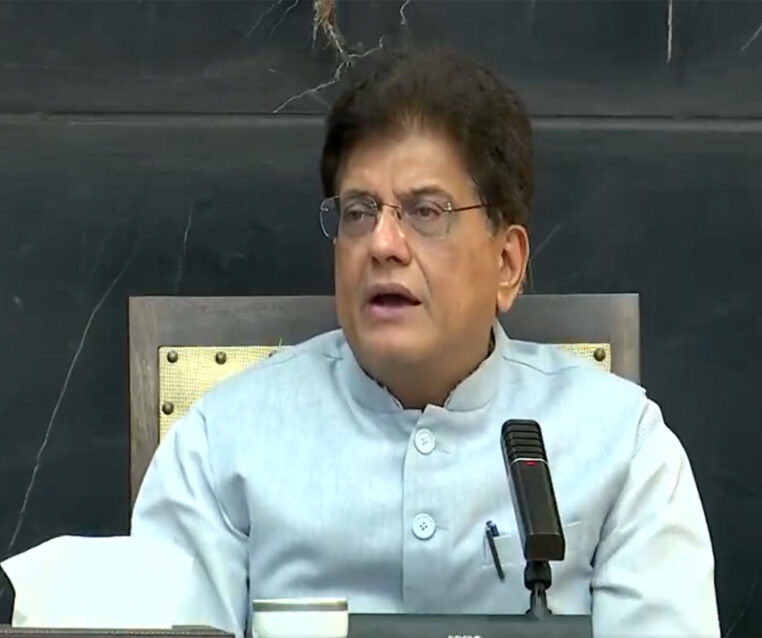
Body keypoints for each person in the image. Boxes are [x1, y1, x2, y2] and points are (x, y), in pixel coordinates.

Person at [131, 48, 719, 636]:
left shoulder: (622, 446)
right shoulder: (220, 445)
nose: (383, 244)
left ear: (507, 264)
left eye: (426, 212)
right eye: (358, 212)